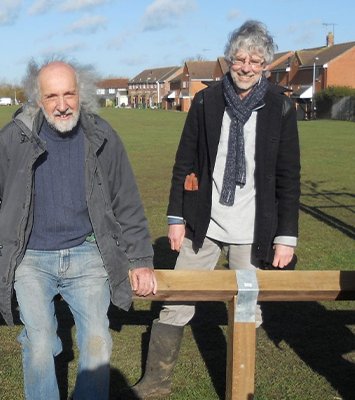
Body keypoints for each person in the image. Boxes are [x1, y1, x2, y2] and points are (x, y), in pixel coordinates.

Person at [123, 20, 301, 399]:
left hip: (254, 230)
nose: (246, 67)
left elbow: (289, 176)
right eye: (240, 59)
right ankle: (155, 384)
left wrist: (285, 236)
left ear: (265, 65)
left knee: (248, 310)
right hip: (203, 224)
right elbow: (184, 161)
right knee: (176, 302)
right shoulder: (206, 101)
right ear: (229, 60)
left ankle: (241, 388)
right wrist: (176, 218)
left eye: (255, 61)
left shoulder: (281, 106)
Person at [0, 59, 157, 399]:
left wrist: (141, 259)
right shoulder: (13, 138)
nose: (62, 105)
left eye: (69, 94)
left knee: (98, 341)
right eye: (52, 96)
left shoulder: (102, 136)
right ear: (37, 99)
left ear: (80, 93)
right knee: (40, 342)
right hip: (30, 257)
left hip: (87, 253)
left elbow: (127, 200)